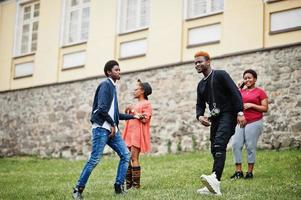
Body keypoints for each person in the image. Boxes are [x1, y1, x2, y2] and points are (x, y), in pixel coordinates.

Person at [72, 60, 143, 199]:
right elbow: (102, 109)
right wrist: (111, 124)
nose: (119, 71)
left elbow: (115, 115)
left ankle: (118, 186)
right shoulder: (105, 85)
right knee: (94, 159)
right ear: (109, 72)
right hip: (101, 129)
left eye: (119, 69)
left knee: (125, 155)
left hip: (111, 129)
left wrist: (134, 116)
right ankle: (78, 189)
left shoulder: (113, 87)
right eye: (116, 69)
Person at [194, 51, 246, 196]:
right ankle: (213, 184)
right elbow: (199, 104)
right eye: (195, 63)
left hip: (229, 114)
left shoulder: (221, 75)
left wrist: (240, 112)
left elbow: (235, 92)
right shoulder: (200, 85)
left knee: (219, 144)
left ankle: (215, 179)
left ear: (208, 62)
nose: (197, 65)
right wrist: (200, 117)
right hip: (215, 118)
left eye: (200, 62)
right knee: (214, 149)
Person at [231, 69, 268, 180]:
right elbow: (234, 101)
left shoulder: (260, 92)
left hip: (254, 121)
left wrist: (252, 105)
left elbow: (265, 108)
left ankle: (249, 172)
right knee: (236, 145)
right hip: (240, 122)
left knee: (250, 147)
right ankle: (238, 172)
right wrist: (238, 88)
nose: (247, 80)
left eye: (250, 78)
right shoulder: (240, 91)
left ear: (255, 79)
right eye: (245, 78)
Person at [122, 79, 152, 190]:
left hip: (137, 135)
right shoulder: (136, 104)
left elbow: (144, 119)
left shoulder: (147, 104)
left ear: (142, 91)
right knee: (126, 158)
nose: (134, 91)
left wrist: (133, 110)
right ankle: (128, 185)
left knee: (134, 158)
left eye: (136, 89)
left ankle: (136, 186)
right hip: (128, 134)